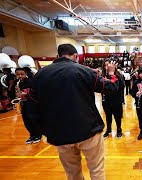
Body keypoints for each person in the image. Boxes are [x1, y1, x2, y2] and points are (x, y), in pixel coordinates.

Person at [27, 44, 119, 180]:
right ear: (75, 56)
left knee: (72, 174)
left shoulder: (41, 74)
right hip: (88, 129)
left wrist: (44, 131)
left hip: (59, 133)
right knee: (97, 170)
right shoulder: (83, 70)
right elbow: (111, 88)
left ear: (58, 56)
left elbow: (32, 108)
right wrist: (111, 73)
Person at [14, 68, 42, 144]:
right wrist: (18, 95)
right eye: (18, 74)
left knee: (33, 120)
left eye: (22, 74)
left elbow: (35, 91)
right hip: (24, 103)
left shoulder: (30, 82)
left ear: (25, 74)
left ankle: (38, 135)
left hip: (31, 103)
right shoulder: (17, 83)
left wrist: (26, 93)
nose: (20, 76)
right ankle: (32, 135)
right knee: (26, 120)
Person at [101, 60, 125, 139]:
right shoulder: (102, 76)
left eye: (109, 65)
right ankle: (108, 130)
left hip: (116, 100)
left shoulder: (118, 75)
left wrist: (113, 76)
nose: (108, 66)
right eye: (106, 65)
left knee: (117, 116)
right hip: (106, 100)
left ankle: (119, 130)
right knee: (108, 116)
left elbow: (121, 86)